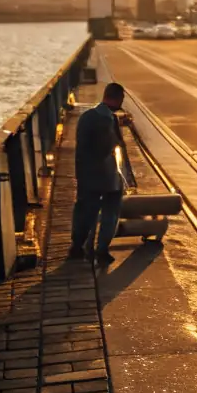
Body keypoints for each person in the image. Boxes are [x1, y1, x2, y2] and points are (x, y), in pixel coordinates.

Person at [70, 82, 135, 263]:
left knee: (85, 212)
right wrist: (128, 178)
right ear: (117, 98)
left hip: (87, 175)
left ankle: (78, 247)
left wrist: (80, 175)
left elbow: (82, 149)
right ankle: (102, 250)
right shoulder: (109, 120)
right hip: (108, 178)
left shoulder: (86, 117)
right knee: (110, 214)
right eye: (122, 98)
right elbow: (112, 147)